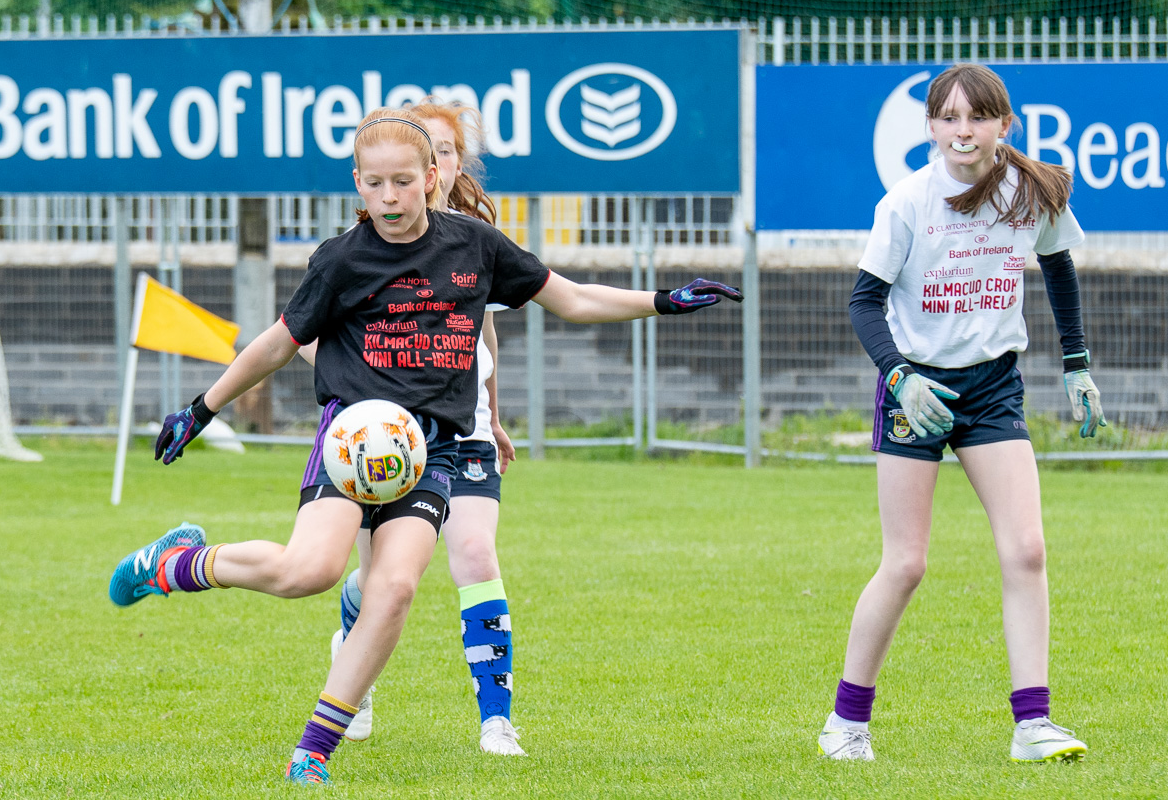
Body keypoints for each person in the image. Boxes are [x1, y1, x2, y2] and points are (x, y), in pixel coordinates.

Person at [107, 107, 742, 786]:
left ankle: (312, 752)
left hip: (431, 450)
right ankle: (175, 562)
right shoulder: (341, 260)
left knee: (397, 587)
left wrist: (663, 301)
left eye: (403, 181)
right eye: (374, 183)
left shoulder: (475, 247)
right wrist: (201, 409)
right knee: (306, 573)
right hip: (351, 439)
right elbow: (275, 343)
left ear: (432, 177)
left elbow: (573, 300)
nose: (389, 197)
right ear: (357, 182)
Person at [819, 63, 1105, 763]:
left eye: (976, 117)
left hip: (992, 388)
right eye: (946, 117)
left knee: (1026, 549)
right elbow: (863, 301)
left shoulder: (1029, 189)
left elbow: (1058, 267)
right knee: (906, 563)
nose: (961, 131)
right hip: (916, 391)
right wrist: (899, 375)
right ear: (929, 127)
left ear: (1002, 124)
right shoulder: (907, 202)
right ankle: (844, 724)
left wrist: (1076, 363)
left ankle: (1032, 725)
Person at [318, 99, 526, 756]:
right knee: (380, 583)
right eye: (420, 150)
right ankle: (353, 645)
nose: (427, 163)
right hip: (387, 435)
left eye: (440, 151)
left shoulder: (474, 242)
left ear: (450, 165)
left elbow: (480, 329)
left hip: (463, 429)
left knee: (473, 554)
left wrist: (493, 410)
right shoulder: (370, 242)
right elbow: (303, 335)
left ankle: (496, 720)